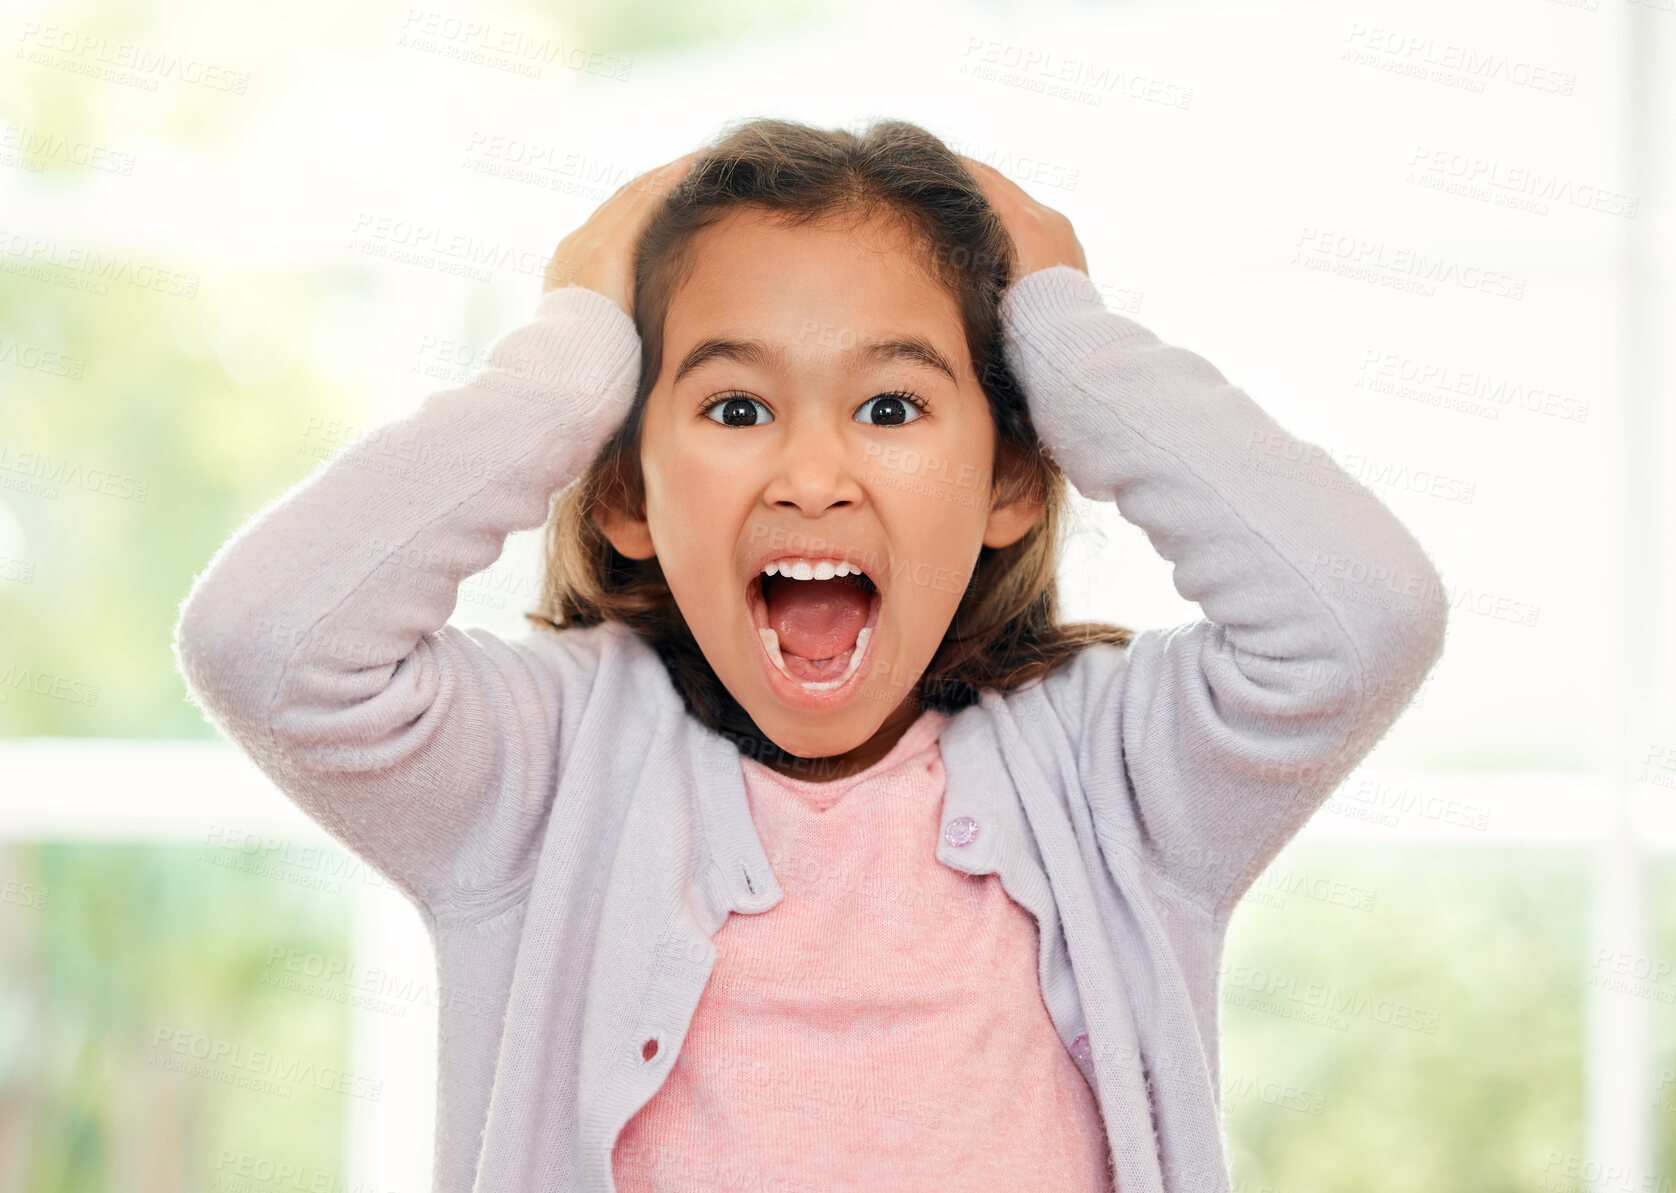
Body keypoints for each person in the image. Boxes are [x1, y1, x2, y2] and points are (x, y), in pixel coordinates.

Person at [173, 117, 1448, 1193]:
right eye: (735, 407)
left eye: (890, 405)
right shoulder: (543, 768)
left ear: (1009, 475)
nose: (814, 475)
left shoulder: (1116, 774)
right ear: (623, 493)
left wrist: (1070, 340)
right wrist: (565, 369)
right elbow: (266, 643)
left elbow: (1359, 618)